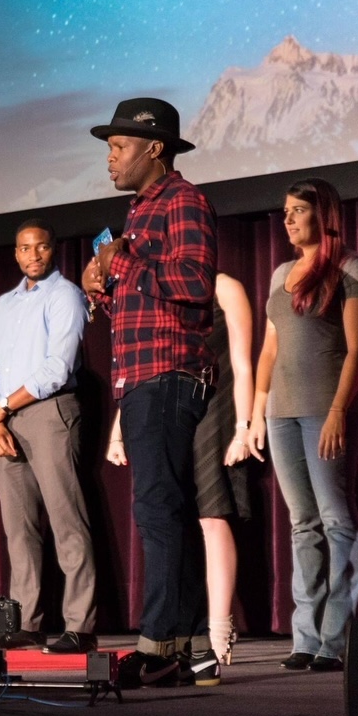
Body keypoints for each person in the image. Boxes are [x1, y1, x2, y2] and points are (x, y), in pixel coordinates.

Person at [82, 97, 219, 687]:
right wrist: (101, 285)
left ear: (153, 148)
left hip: (167, 372)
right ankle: (188, 647)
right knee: (166, 506)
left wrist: (126, 262)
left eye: (118, 147)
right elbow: (139, 298)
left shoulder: (182, 200)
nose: (109, 159)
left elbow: (194, 280)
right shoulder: (136, 212)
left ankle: (160, 644)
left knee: (157, 507)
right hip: (142, 373)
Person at [249, 178, 358, 673]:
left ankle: (335, 639)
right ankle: (305, 638)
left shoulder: (348, 267)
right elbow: (270, 348)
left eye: (299, 211)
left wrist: (339, 410)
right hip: (281, 413)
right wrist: (258, 409)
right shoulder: (281, 273)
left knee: (337, 520)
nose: (289, 220)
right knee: (303, 524)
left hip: (325, 410)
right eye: (285, 212)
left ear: (324, 213)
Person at [107, 272, 256, 665]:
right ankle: (191, 637)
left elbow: (242, 362)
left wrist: (244, 427)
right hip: (166, 399)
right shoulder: (160, 288)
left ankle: (219, 625)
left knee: (210, 511)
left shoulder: (225, 286)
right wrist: (117, 430)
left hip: (214, 401)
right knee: (172, 512)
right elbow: (142, 367)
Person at [0, 219, 96, 654]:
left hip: (49, 413)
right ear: (15, 253)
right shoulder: (4, 304)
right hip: (6, 421)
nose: (33, 255)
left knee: (67, 520)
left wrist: (3, 408)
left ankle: (80, 625)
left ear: (53, 249)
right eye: (25, 249)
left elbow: (57, 368)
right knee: (19, 528)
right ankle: (27, 621)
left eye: (40, 247)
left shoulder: (65, 296)